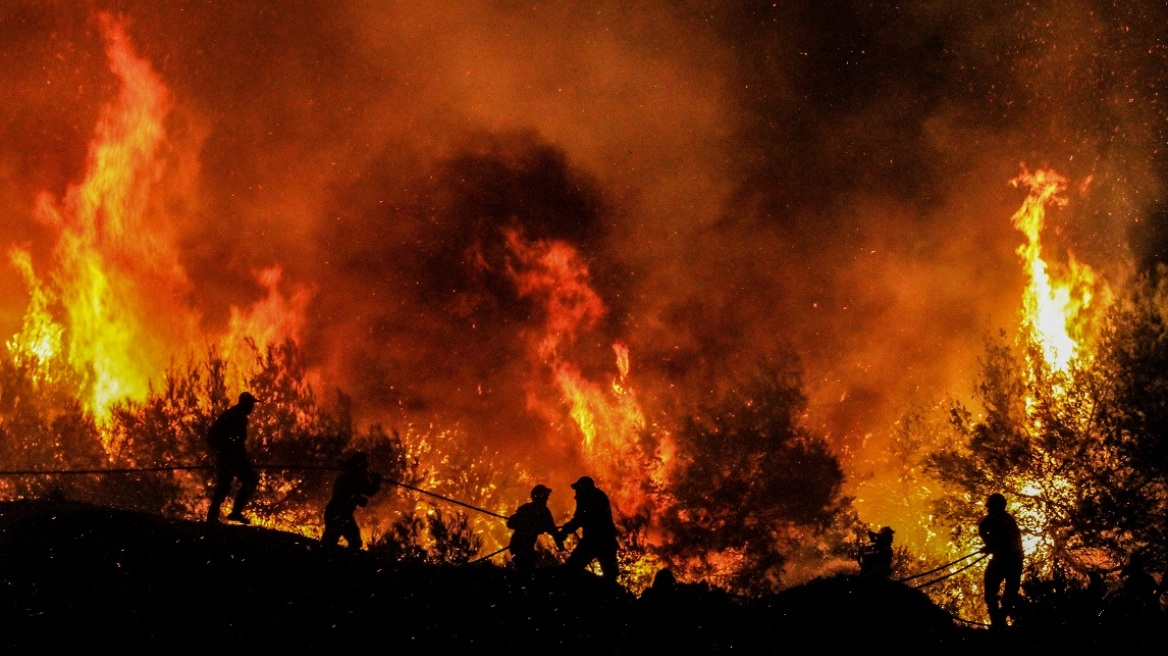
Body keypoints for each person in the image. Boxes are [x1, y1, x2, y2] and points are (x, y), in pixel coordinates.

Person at [205, 391, 260, 524]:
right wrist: (227, 450)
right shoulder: (236, 416)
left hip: (229, 456)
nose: (252, 407)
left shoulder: (234, 414)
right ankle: (235, 512)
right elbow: (231, 439)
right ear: (245, 404)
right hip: (232, 456)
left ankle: (212, 517)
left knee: (224, 486)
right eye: (251, 404)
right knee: (251, 480)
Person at [557, 475, 619, 582]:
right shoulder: (597, 496)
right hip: (606, 540)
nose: (576, 493)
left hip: (594, 540)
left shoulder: (589, 498)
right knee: (610, 575)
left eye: (578, 489)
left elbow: (580, 518)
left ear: (584, 488)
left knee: (572, 567)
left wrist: (565, 531)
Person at [978, 492, 1024, 629]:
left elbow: (1006, 543)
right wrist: (989, 545)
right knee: (996, 592)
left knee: (1004, 593)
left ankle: (999, 621)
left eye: (991, 507)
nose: (989, 509)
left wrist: (990, 546)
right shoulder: (999, 520)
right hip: (1011, 560)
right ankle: (998, 620)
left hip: (1010, 561)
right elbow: (984, 531)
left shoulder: (1004, 521)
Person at [320, 451, 383, 550]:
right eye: (363, 466)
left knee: (332, 540)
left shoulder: (357, 477)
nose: (365, 469)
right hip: (338, 513)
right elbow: (342, 495)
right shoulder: (347, 478)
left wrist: (376, 482)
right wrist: (358, 499)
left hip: (338, 512)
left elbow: (369, 491)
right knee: (352, 540)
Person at [506, 484, 563, 572]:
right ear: (538, 496)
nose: (547, 499)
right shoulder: (526, 509)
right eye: (545, 496)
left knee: (527, 566)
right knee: (525, 567)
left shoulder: (543, 511)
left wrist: (559, 543)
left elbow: (552, 529)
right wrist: (526, 525)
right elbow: (510, 523)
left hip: (526, 545)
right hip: (518, 544)